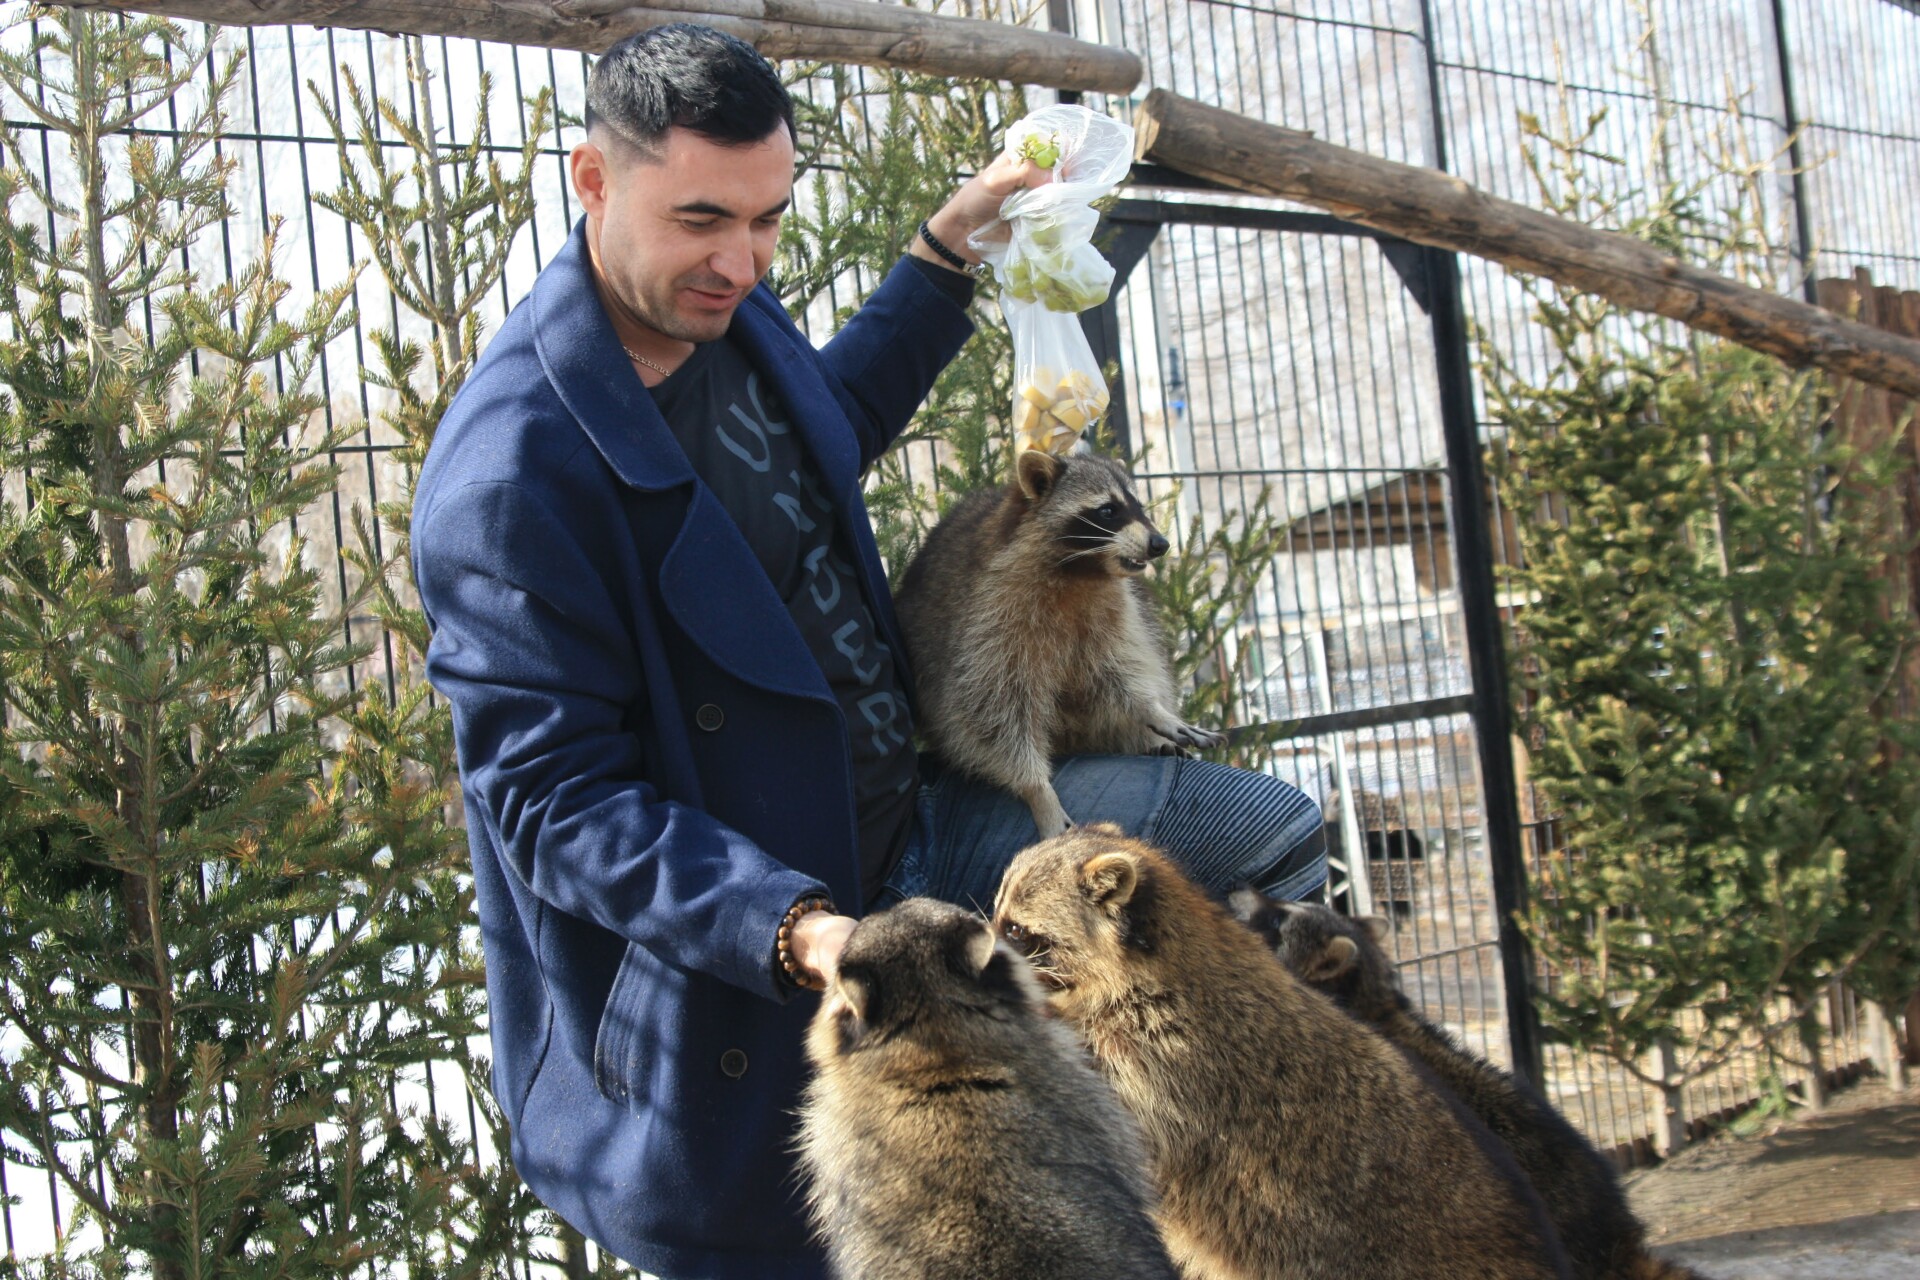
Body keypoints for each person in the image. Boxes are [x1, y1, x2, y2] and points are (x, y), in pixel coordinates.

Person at [412, 24, 1325, 1279]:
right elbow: (553, 801)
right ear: (592, 180)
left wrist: (949, 251)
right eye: (700, 219)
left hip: (925, 825)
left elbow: (821, 424)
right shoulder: (511, 473)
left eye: (768, 219)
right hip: (763, 969)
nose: (740, 261)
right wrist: (795, 928)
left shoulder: (723, 309)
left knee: (1269, 840)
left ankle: (1221, 1211)